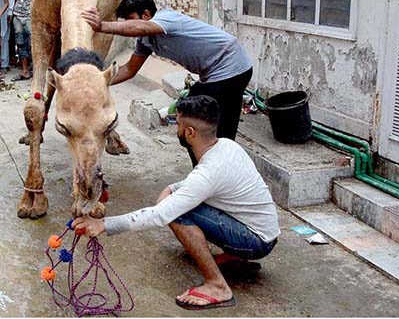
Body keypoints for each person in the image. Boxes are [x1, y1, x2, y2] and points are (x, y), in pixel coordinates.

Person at [74, 95, 279, 311]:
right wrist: (172, 188)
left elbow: (159, 215)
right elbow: (198, 183)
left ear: (190, 133)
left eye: (178, 124)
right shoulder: (226, 145)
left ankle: (218, 286)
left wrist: (103, 224)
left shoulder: (208, 173)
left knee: (177, 214)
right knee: (180, 202)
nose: (177, 129)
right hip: (265, 232)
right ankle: (237, 257)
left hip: (256, 241)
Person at [81, 0, 253, 165]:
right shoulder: (145, 40)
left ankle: (218, 171)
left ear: (146, 14)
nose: (129, 27)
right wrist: (98, 83)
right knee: (190, 118)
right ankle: (207, 170)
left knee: (210, 127)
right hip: (212, 75)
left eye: (131, 20)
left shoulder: (166, 18)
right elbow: (129, 69)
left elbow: (143, 27)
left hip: (232, 66)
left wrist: (102, 26)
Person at [9, 0, 34, 81]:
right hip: (18, 15)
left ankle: (36, 70)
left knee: (33, 44)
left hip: (32, 15)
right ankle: (24, 71)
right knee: (20, 43)